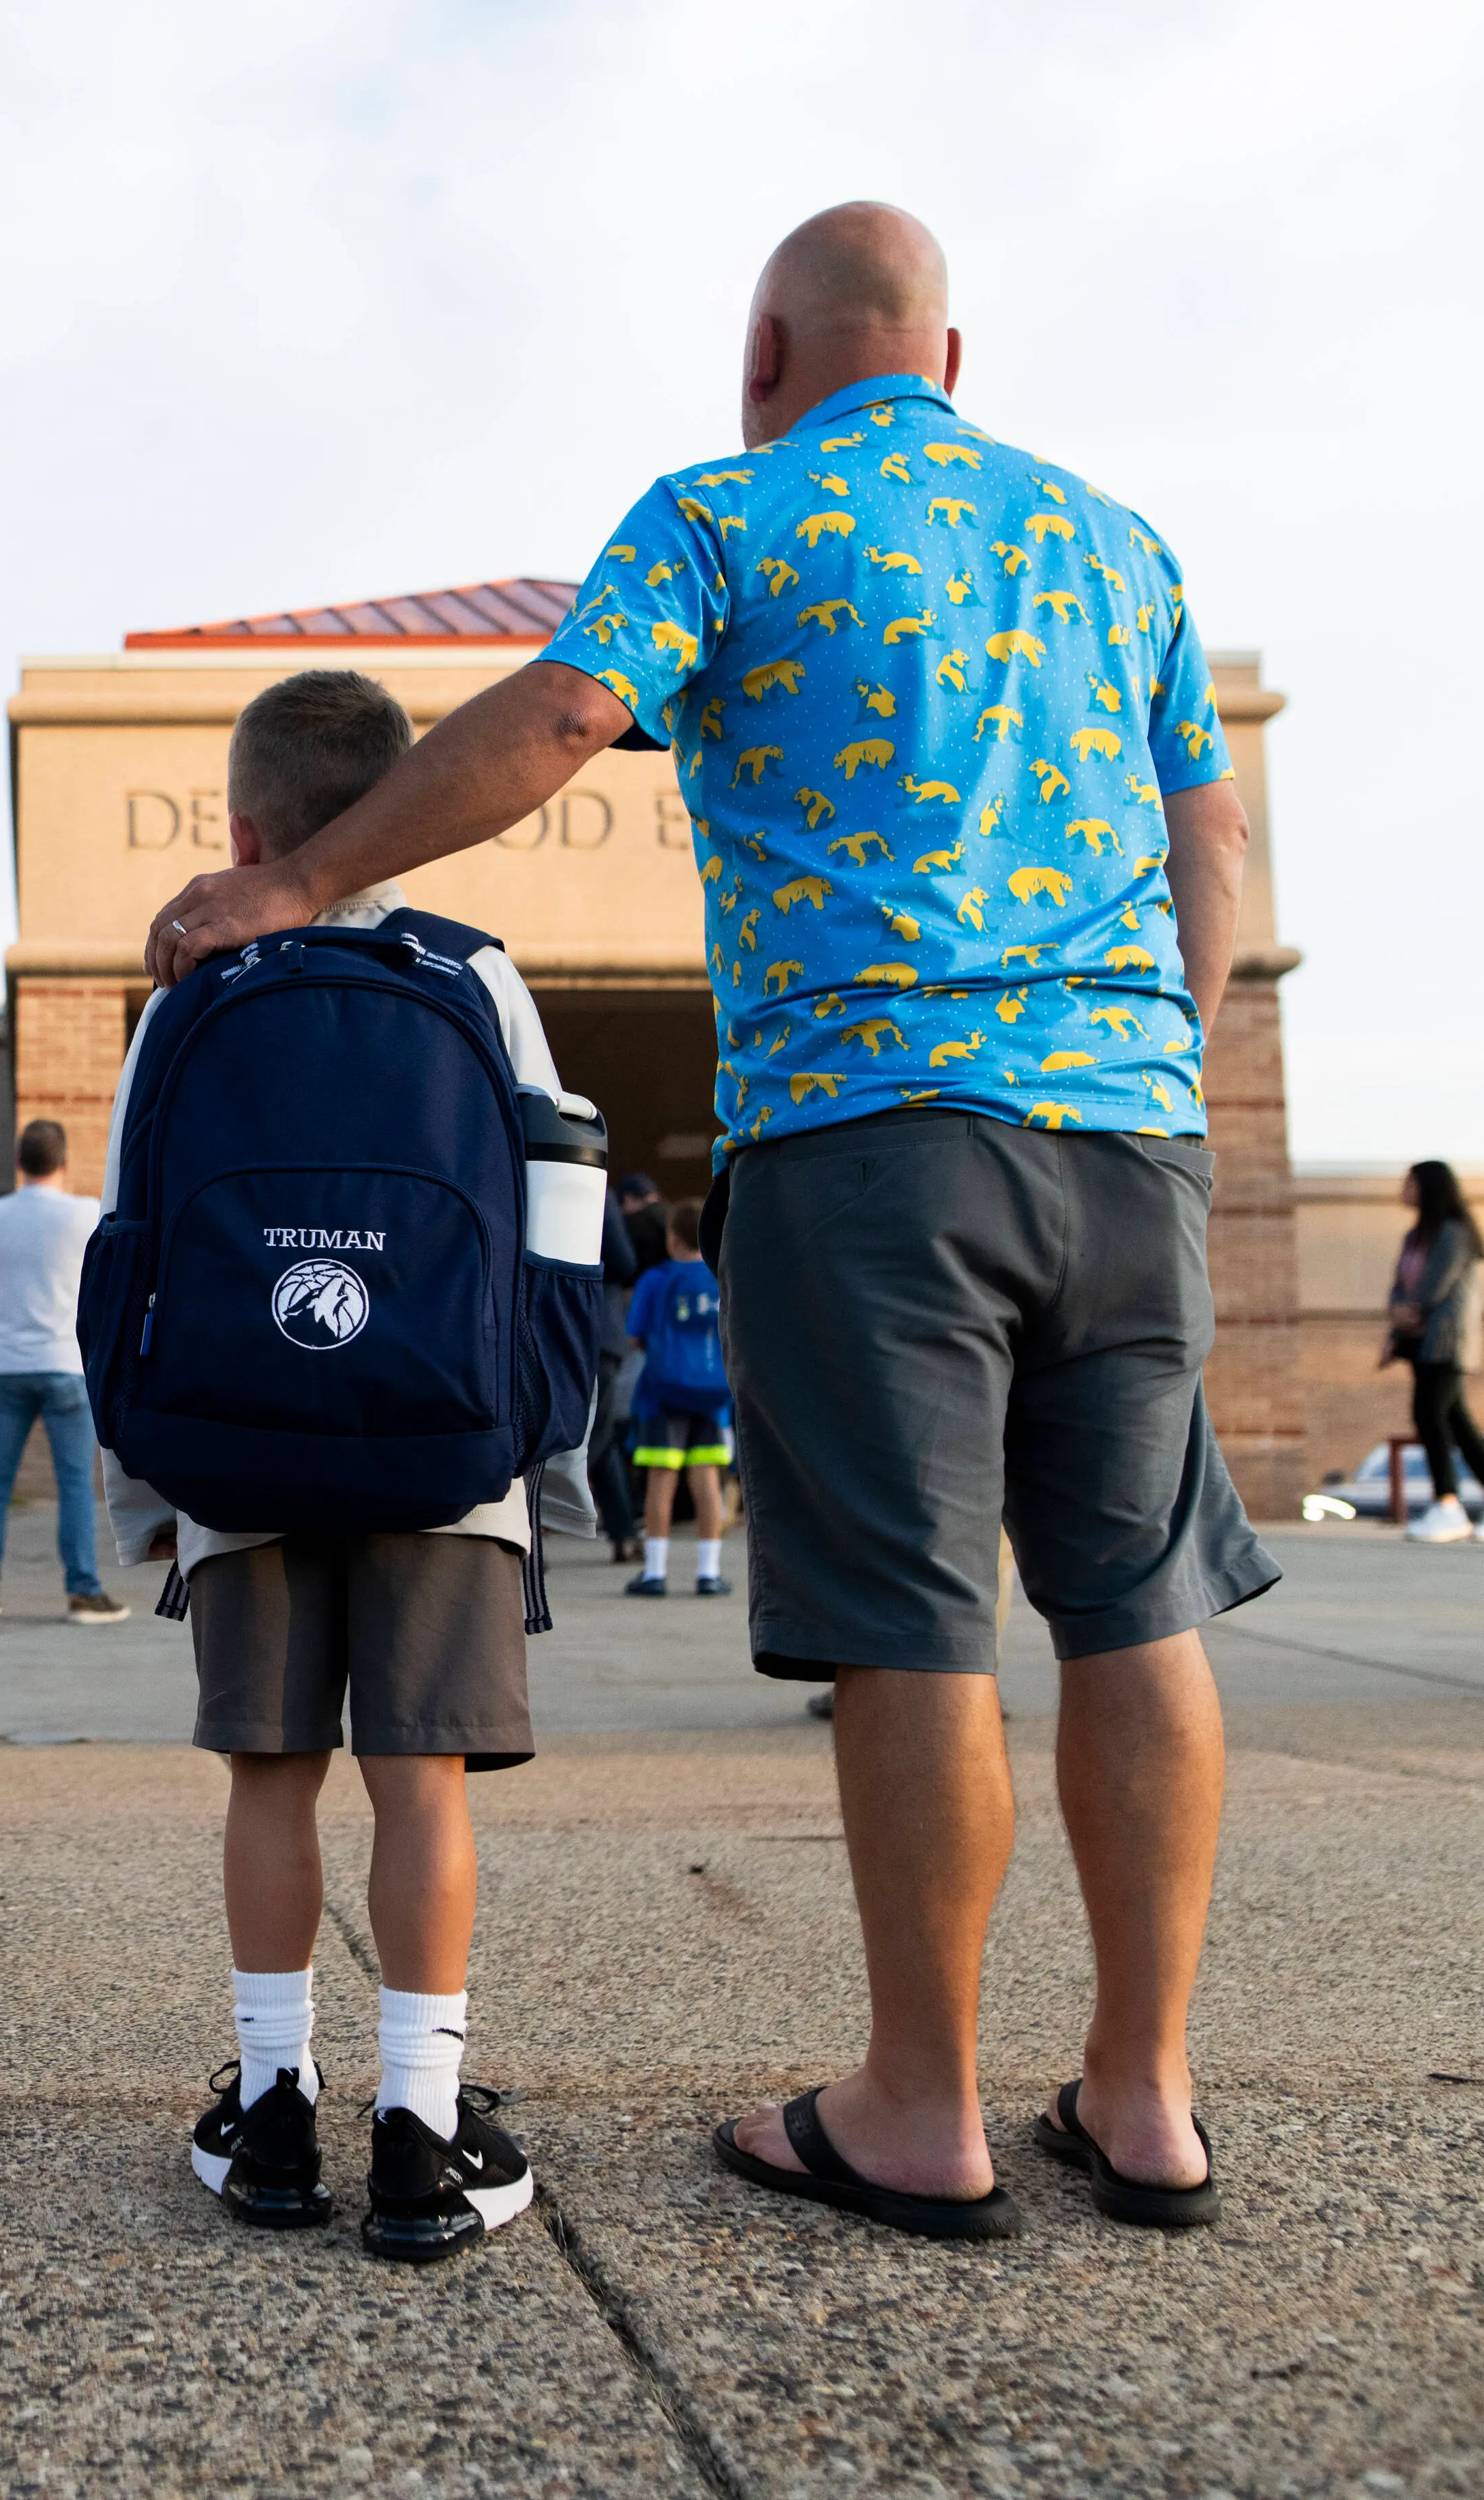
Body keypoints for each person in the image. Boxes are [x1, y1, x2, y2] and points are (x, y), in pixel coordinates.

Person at [142, 205, 1276, 2240]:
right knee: (1136, 1599)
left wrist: (306, 884)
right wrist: (1159, 1061)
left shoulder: (733, 511)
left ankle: (920, 2105)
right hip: (1131, 1137)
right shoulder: (1121, 544)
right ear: (949, 353)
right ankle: (1145, 2093)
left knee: (915, 1613)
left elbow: (565, 714)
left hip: (871, 1139)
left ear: (767, 355)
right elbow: (1216, 833)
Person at [122, 667, 551, 2266]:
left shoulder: (187, 998)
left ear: (239, 827)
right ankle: (421, 2125)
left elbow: (132, 1246)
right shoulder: (477, 978)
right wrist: (528, 1436)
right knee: (416, 1772)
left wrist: (142, 1489)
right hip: (442, 1442)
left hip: (237, 1444)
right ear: (401, 827)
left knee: (270, 1768)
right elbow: (552, 1217)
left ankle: (277, 2098)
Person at [0, 1120, 125, 1624]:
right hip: (64, 1362)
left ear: (20, 1161)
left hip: (6, 1365)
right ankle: (82, 1591)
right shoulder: (81, 1214)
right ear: (64, 1161)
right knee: (76, 1483)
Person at [1389, 1161, 1484, 1545]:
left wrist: (1408, 1310)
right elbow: (1400, 1284)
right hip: (1417, 1340)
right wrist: (1397, 1312)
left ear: (1429, 1188)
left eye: (1409, 1183)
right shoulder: (1415, 1236)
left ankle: (1448, 1505)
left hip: (1446, 1341)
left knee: (1430, 1415)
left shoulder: (1453, 1233)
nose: (1403, 1189)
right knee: (1456, 1419)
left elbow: (1434, 1285)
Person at [623, 1201, 732, 1598]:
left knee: (661, 1479)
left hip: (662, 1393)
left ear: (672, 1239)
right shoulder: (721, 1276)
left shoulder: (656, 1279)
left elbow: (635, 1336)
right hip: (714, 1393)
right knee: (706, 1478)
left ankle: (654, 1572)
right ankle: (709, 1572)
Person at [590, 1173, 652, 1563]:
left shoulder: (512, 1175)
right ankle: (625, 1534)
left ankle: (532, 1534)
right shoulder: (596, 1188)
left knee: (539, 1433)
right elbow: (624, 1260)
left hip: (537, 1324)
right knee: (600, 1434)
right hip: (598, 1327)